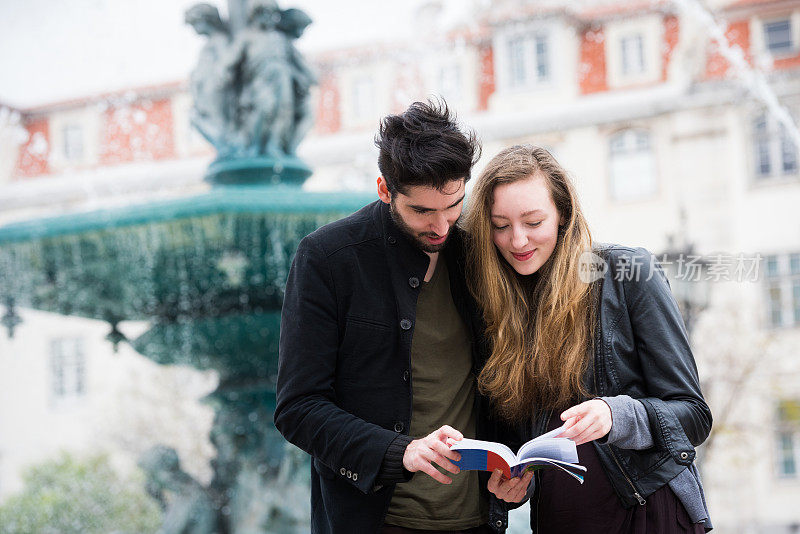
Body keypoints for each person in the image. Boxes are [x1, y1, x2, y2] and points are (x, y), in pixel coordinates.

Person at [274, 100, 531, 534]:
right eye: (422, 212)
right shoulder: (327, 258)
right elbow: (298, 408)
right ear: (384, 189)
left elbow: (504, 382)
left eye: (454, 206)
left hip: (477, 521)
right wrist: (400, 452)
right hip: (374, 522)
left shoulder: (479, 255)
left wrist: (518, 470)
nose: (443, 227)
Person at [463, 145, 713, 533]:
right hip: (562, 519)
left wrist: (617, 415)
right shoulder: (493, 303)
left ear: (563, 214)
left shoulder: (628, 272)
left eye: (533, 221)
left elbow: (694, 415)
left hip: (646, 512)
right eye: (501, 225)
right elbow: (521, 444)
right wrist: (511, 486)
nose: (517, 241)